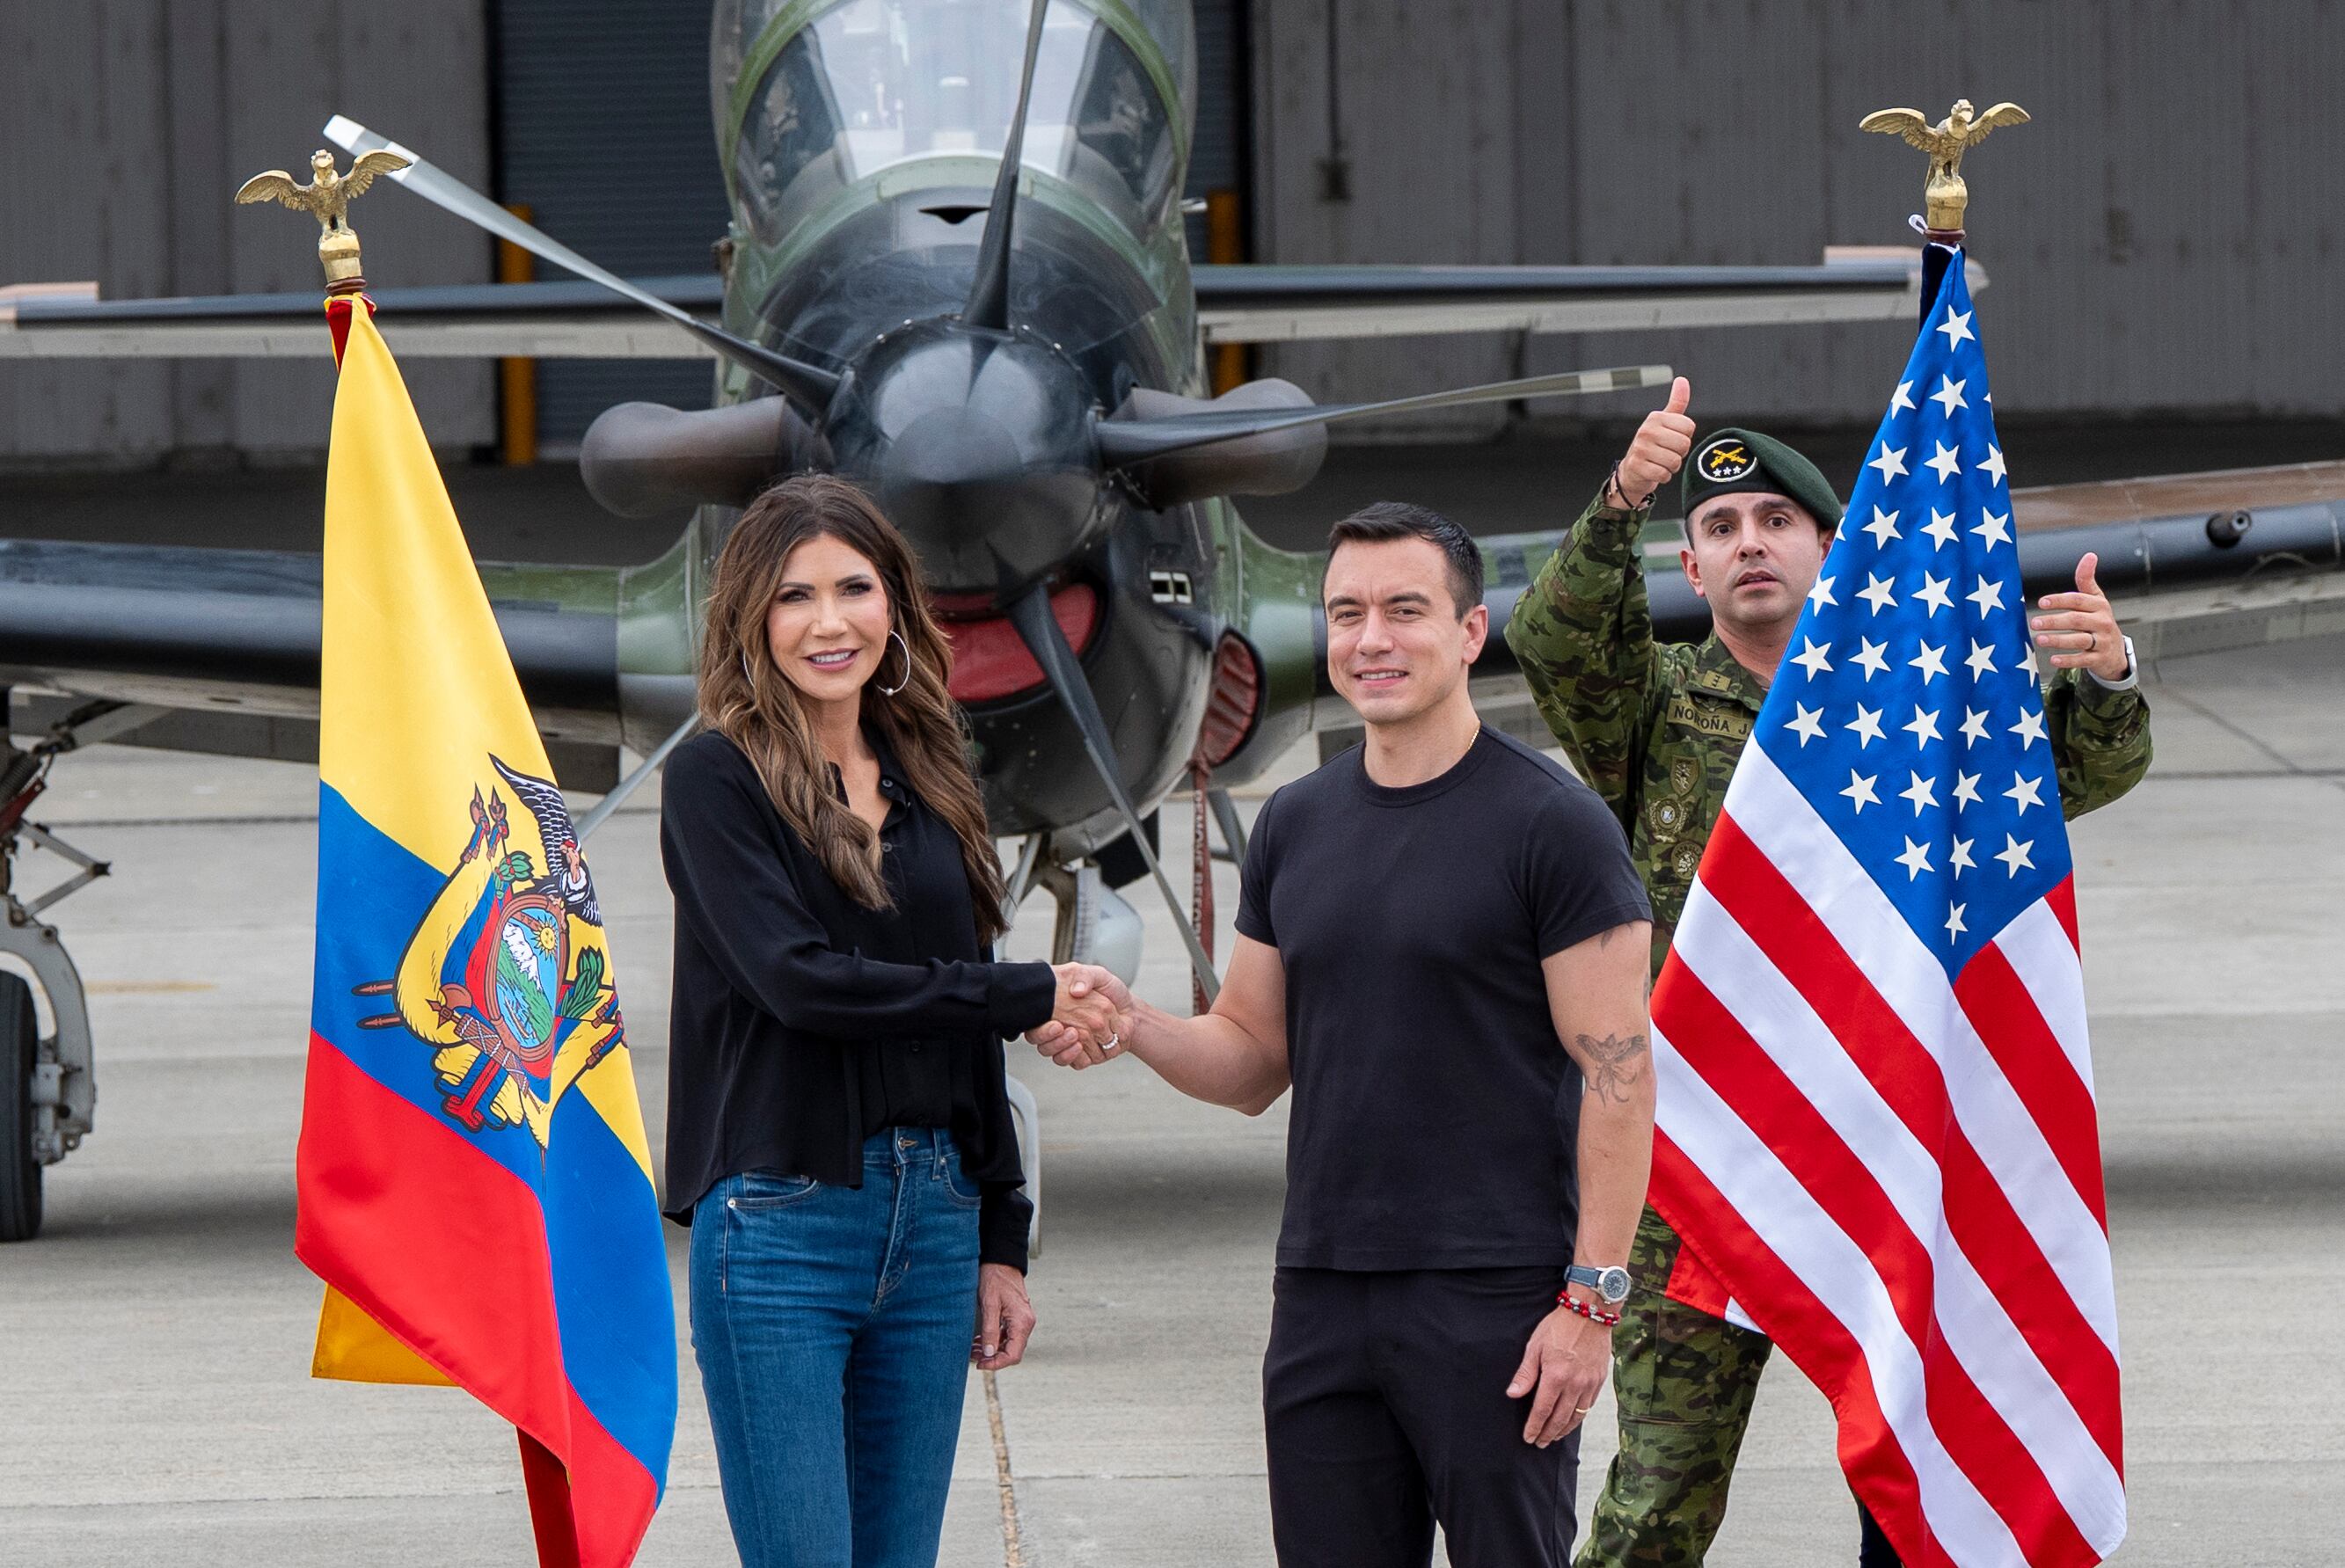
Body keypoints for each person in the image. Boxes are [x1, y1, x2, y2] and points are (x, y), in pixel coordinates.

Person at [1504, 379, 2154, 1568]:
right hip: (1700, 1168)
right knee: (1656, 1503)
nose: (1748, 541)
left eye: (1774, 520)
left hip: (1893, 1156)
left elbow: (2078, 772)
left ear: (1833, 545)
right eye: (1717, 528)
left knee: (1928, 1474)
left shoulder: (1920, 712)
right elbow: (1549, 640)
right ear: (1690, 572)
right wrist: (1617, 502)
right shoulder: (1649, 709)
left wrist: (2105, 674)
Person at [1033, 502, 1657, 1568]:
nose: (1371, 639)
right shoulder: (1295, 821)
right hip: (1322, 1295)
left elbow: (1618, 1078)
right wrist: (1132, 1021)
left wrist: (1589, 1303)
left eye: (1405, 610)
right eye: (1347, 613)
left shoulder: (1553, 827)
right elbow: (1248, 1060)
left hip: (1496, 1299)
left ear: (1468, 633)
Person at [658, 474, 1121, 1568]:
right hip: (779, 1226)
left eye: (854, 588)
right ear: (748, 621)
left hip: (936, 1226)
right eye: (793, 596)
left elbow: (956, 996)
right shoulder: (716, 780)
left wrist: (999, 1231)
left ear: (896, 605)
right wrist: (1026, 993)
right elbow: (801, 981)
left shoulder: (929, 768)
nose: (828, 622)